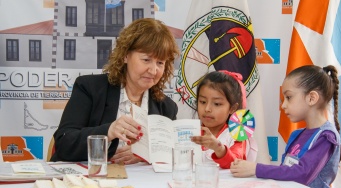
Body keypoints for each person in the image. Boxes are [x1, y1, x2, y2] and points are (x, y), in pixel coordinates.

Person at [50, 18, 179, 164]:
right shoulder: (89, 88)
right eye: (146, 60)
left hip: (142, 184)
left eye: (160, 63)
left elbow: (174, 153)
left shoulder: (167, 108)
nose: (153, 70)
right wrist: (109, 131)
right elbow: (64, 143)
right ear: (125, 55)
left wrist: (146, 155)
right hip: (90, 181)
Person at [230, 65, 341, 188]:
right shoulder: (297, 135)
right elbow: (286, 171)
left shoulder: (326, 137)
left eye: (289, 97)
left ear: (311, 98)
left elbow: (302, 174)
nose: (283, 105)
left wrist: (255, 169)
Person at [190, 70, 257, 169]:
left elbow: (236, 164)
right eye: (203, 102)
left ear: (232, 108)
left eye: (217, 104)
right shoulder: (190, 132)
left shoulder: (236, 135)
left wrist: (219, 148)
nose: (207, 109)